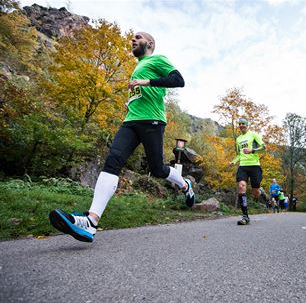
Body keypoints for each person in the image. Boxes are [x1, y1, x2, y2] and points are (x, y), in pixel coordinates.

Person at [49, 31, 195, 243]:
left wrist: (146, 82)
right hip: (131, 121)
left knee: (157, 169)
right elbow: (141, 95)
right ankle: (91, 221)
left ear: (150, 43)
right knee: (113, 160)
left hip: (152, 121)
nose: (133, 40)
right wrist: (132, 103)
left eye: (138, 37)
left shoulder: (157, 59)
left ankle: (185, 185)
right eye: (132, 38)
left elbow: (178, 80)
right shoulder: (136, 67)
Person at [229, 117, 266, 225]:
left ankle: (260, 191)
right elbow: (239, 155)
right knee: (241, 186)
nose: (241, 125)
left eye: (243, 123)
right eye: (239, 124)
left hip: (255, 166)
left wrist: (252, 150)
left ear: (247, 125)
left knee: (256, 193)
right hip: (243, 166)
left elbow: (264, 147)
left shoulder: (253, 135)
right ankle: (245, 216)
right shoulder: (238, 139)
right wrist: (233, 162)